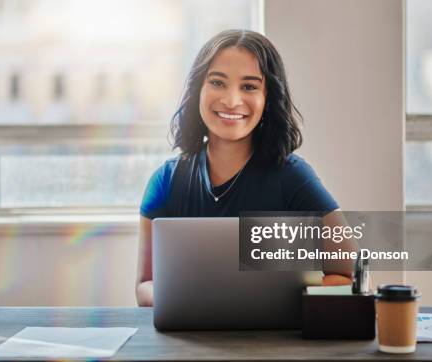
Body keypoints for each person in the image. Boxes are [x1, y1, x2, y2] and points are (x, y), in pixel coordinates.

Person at [136, 30, 354, 307]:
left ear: (268, 98)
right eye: (217, 82)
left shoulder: (293, 177)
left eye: (249, 87)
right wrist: (182, 300)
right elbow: (145, 285)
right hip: (186, 342)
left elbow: (349, 276)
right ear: (197, 90)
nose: (231, 100)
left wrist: (284, 299)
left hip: (272, 344)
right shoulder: (165, 181)